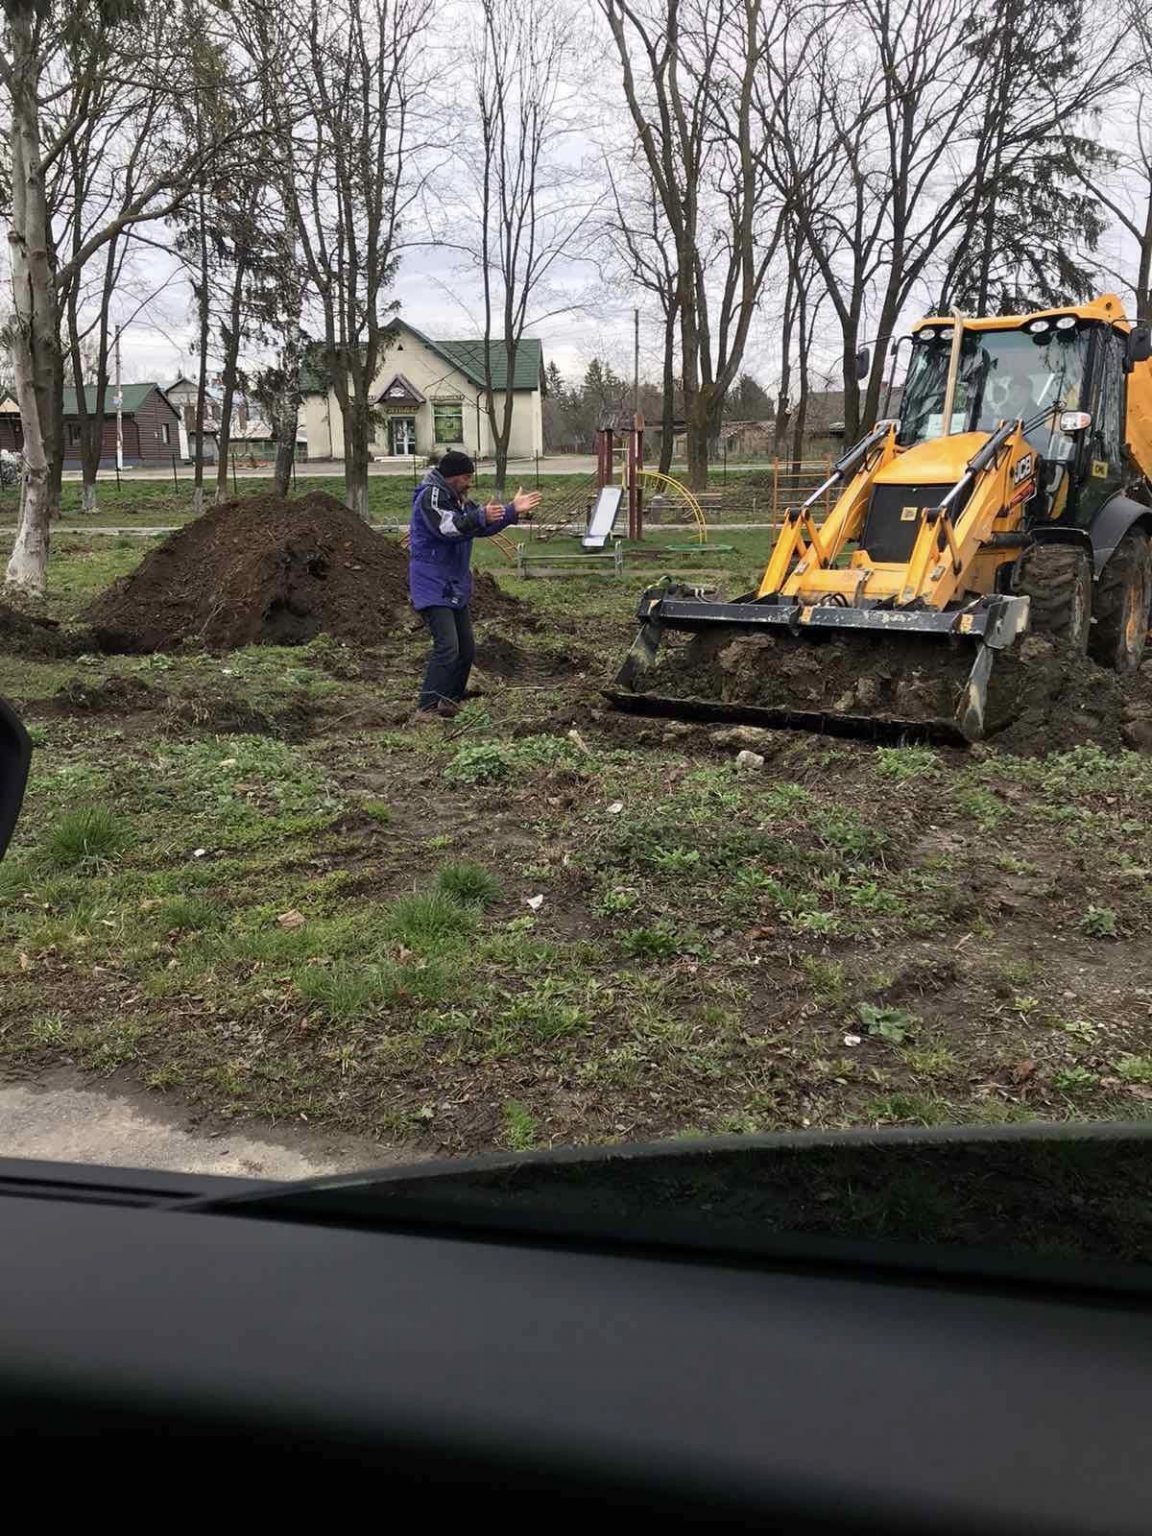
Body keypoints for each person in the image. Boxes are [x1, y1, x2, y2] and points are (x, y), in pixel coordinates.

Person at [408, 450, 541, 718]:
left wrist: (511, 511)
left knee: (466, 649)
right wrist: (480, 516)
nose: (470, 482)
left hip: (454, 583)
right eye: (467, 477)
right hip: (432, 583)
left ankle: (449, 700)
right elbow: (447, 528)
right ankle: (427, 707)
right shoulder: (430, 496)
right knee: (448, 647)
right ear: (453, 476)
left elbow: (481, 525)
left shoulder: (458, 499)